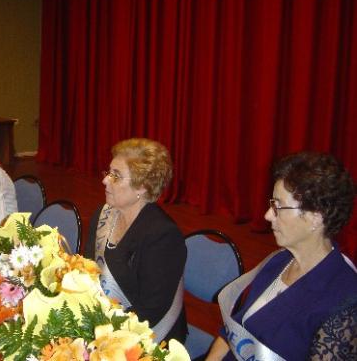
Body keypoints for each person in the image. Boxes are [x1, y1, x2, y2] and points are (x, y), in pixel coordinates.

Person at [206, 152, 357, 361]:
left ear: (316, 216)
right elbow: (231, 331)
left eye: (278, 206)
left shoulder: (345, 301)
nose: (268, 215)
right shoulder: (279, 261)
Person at [84, 138, 187, 344]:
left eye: (116, 176)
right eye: (109, 173)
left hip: (149, 338)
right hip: (103, 320)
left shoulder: (163, 236)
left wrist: (99, 331)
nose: (105, 181)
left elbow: (151, 311)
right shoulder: (103, 214)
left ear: (142, 187)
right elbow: (87, 270)